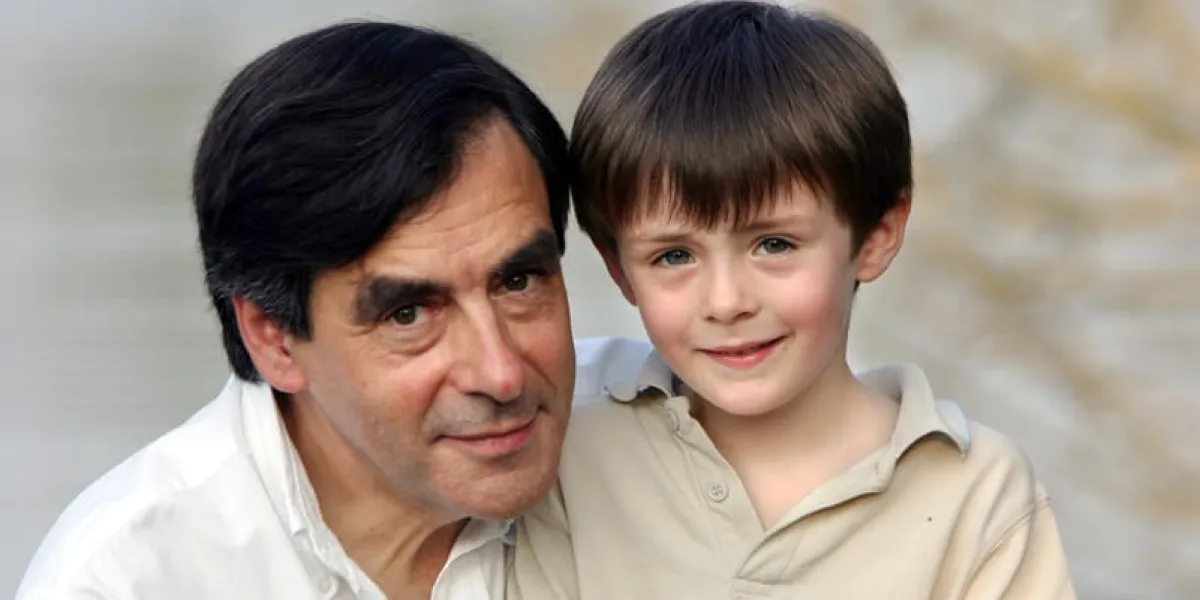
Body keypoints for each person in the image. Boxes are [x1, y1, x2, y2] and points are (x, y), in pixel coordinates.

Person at [511, 2, 1076, 598]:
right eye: (674, 256)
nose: (726, 302)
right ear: (618, 268)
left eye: (773, 244)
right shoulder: (575, 461)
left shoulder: (977, 493)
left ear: (876, 236)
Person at [17, 20, 575, 600]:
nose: (501, 374)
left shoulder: (651, 441)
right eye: (408, 314)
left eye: (518, 281)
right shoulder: (129, 580)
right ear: (274, 338)